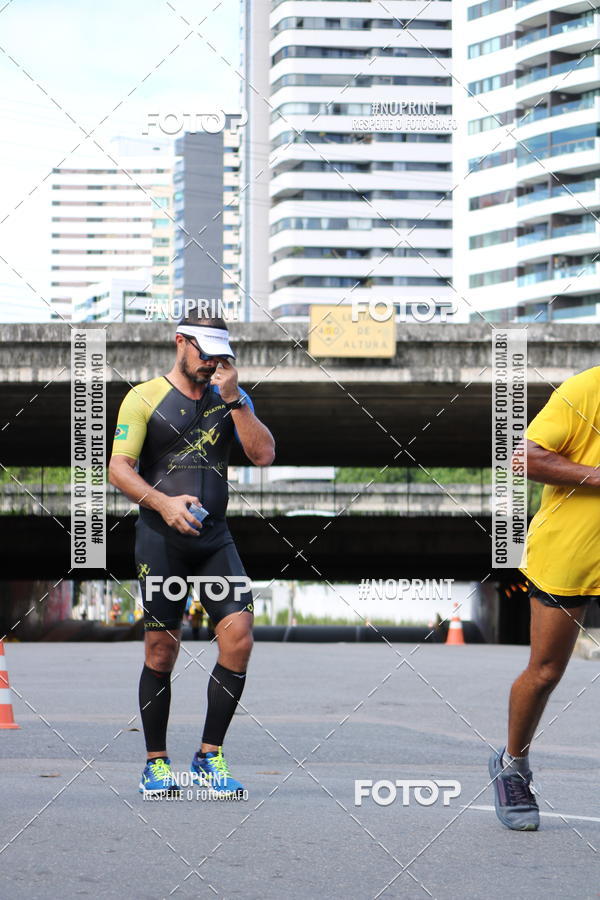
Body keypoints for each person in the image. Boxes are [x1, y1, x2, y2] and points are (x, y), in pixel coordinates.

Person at [109, 313, 275, 797]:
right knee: (162, 650)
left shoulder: (232, 399)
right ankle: (156, 764)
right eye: (204, 352)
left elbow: (263, 455)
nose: (213, 362)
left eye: (221, 355)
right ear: (180, 343)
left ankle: (209, 756)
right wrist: (163, 503)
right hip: (161, 539)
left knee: (239, 636)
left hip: (214, 539)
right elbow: (119, 469)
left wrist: (237, 400)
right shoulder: (143, 397)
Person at [490, 367, 600, 830]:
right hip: (570, 555)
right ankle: (513, 764)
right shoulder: (584, 390)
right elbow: (524, 459)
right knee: (547, 671)